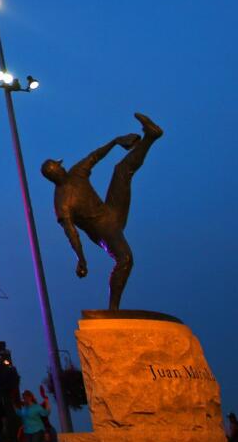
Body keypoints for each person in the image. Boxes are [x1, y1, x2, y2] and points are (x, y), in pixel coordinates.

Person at [40, 113, 161, 310]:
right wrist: (81, 259)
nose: (64, 168)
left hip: (111, 211)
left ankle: (151, 136)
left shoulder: (76, 174)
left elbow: (95, 156)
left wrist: (116, 141)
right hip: (104, 230)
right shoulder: (62, 202)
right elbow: (72, 234)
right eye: (60, 167)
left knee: (122, 170)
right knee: (125, 260)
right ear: (56, 173)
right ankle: (113, 309)